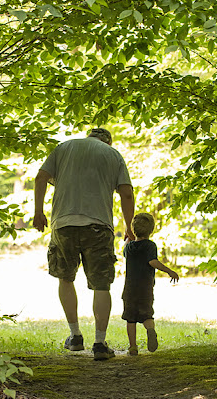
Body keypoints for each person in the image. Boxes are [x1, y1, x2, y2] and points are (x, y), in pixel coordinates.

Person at [33, 127, 135, 360]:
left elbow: (41, 178)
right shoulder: (113, 155)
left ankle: (75, 336)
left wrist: (38, 212)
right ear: (107, 142)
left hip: (63, 224)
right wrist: (128, 226)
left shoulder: (64, 147)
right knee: (101, 285)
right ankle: (99, 343)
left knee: (65, 278)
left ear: (88, 136)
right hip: (98, 226)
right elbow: (126, 193)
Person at [122, 212, 179, 356]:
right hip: (145, 289)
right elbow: (152, 262)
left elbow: (125, 248)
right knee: (147, 314)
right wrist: (169, 271)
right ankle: (150, 330)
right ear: (151, 230)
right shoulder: (150, 246)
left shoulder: (129, 247)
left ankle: (133, 347)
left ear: (134, 230)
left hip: (129, 289)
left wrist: (127, 237)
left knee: (130, 318)